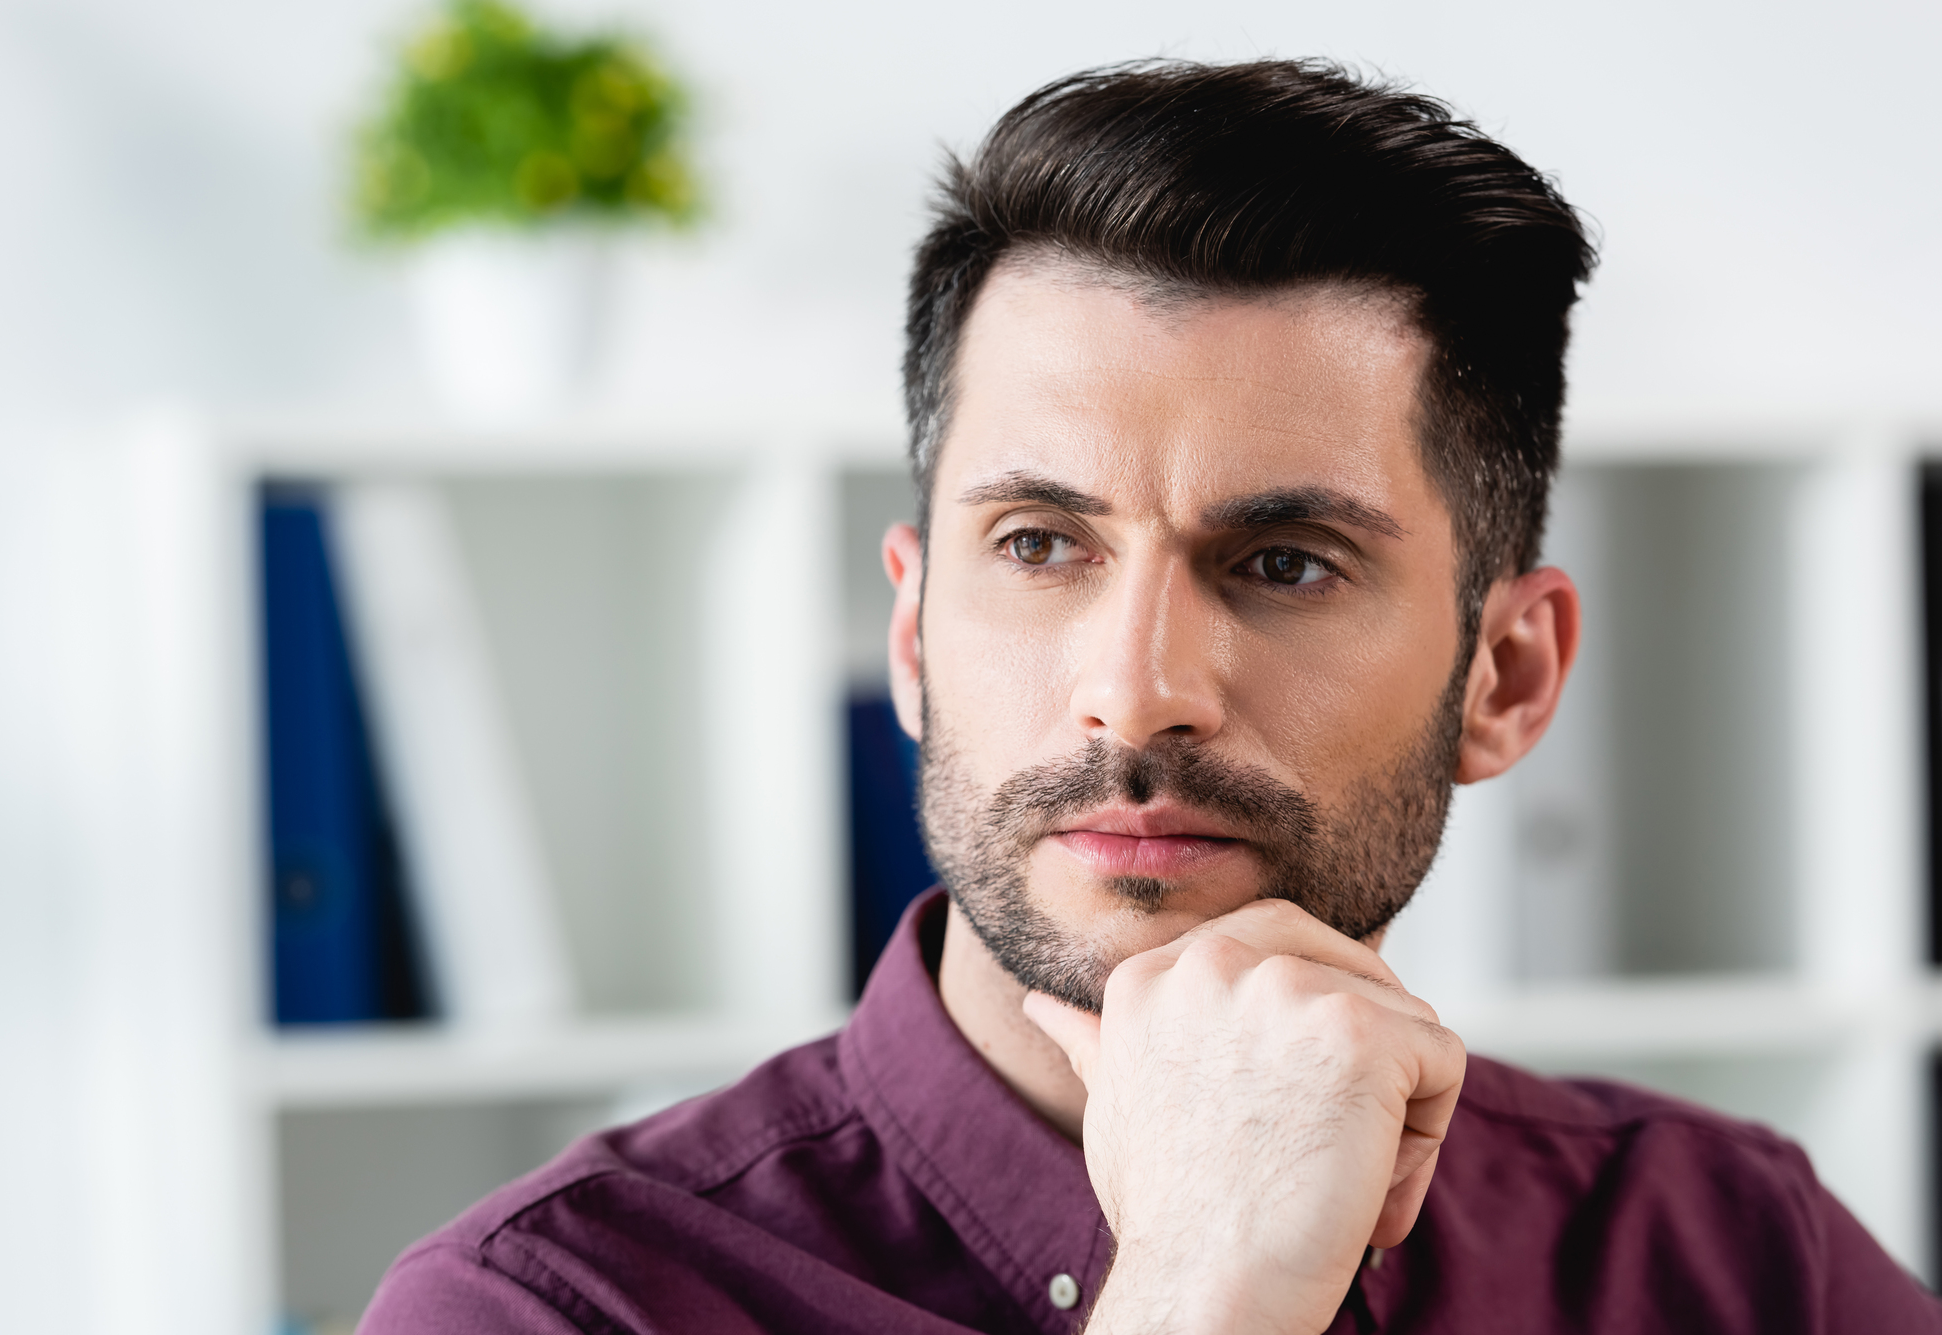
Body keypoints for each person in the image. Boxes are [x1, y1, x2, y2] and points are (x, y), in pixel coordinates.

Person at [358, 60, 1941, 1333]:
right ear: (912, 641)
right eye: (1041, 545)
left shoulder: (1740, 1264)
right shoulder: (546, 1309)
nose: (1135, 692)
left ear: (1506, 678)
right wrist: (1203, 1292)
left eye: (1286, 563)